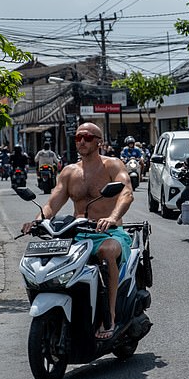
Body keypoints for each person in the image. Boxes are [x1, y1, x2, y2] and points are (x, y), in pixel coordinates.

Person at [21, 122, 134, 340]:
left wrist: (112, 217)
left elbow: (126, 193)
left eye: (88, 137)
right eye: (78, 137)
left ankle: (109, 316)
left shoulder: (112, 165)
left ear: (98, 141)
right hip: (77, 233)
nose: (82, 141)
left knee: (106, 252)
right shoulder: (69, 172)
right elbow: (52, 204)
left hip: (109, 233)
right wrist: (36, 222)